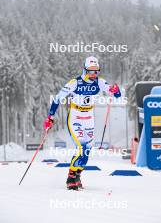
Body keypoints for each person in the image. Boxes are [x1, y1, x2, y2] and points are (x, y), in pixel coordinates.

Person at [44, 56, 121, 190]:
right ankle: (70, 177)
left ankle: (77, 176)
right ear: (85, 70)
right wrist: (50, 117)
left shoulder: (100, 82)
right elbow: (58, 98)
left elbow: (116, 95)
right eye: (91, 71)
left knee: (87, 151)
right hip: (75, 117)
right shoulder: (75, 82)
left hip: (89, 117)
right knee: (81, 148)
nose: (94, 74)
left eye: (96, 71)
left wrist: (116, 90)